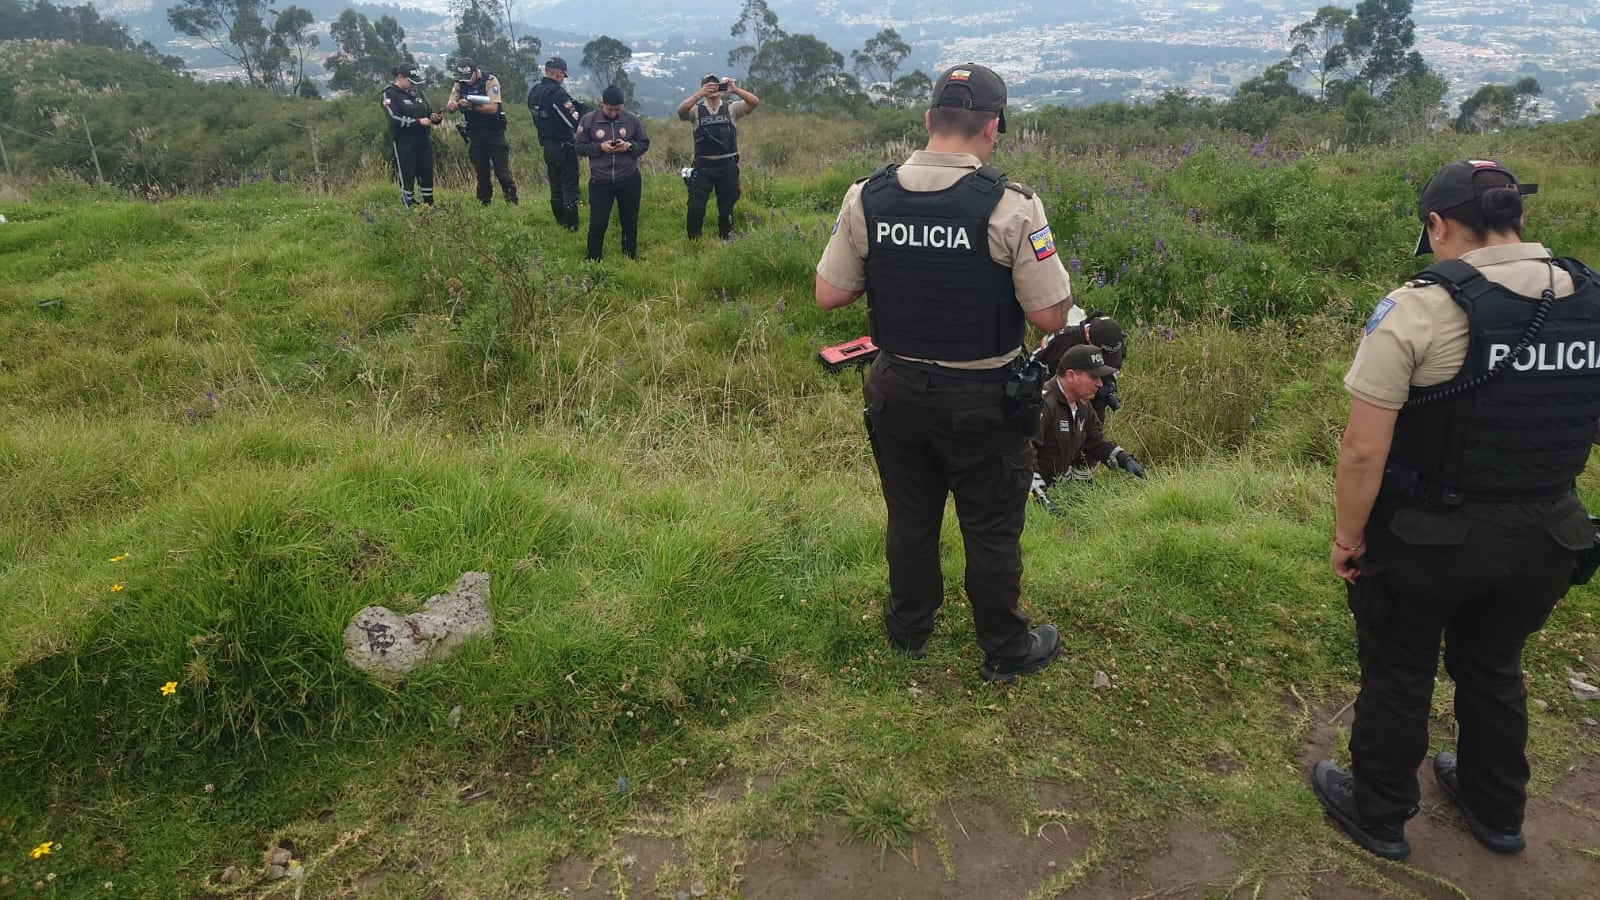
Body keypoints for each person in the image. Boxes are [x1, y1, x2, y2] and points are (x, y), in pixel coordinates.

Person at [1313, 160, 1600, 861]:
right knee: (1495, 664)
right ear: (1517, 216)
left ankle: (1380, 811)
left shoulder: (1421, 306)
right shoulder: (1589, 300)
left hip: (1428, 538)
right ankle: (1496, 808)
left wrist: (1349, 537)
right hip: (1549, 533)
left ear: (1438, 224)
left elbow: (1361, 451)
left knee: (1400, 669)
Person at [815, 63, 1072, 684]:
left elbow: (830, 295)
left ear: (930, 121)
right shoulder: (1011, 205)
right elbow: (1049, 315)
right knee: (989, 526)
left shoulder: (866, 196)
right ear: (994, 127)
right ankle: (1006, 648)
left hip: (896, 388)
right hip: (982, 398)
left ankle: (908, 630)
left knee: (909, 515)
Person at [1033, 344, 1145, 489]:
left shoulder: (1083, 405)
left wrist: (1124, 459)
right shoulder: (1043, 404)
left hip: (1061, 487)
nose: (1099, 383)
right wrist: (1040, 497)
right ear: (1071, 375)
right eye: (1093, 377)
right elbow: (1023, 457)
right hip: (1030, 494)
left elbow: (1096, 442)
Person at [676, 74, 759, 241]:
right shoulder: (696, 111)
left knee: (726, 208)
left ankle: (726, 240)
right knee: (695, 207)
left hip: (727, 166)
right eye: (708, 85)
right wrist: (700, 94)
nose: (712, 88)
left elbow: (754, 102)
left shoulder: (732, 109)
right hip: (703, 167)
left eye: (715, 85)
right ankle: (694, 242)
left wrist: (735, 90)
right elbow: (681, 112)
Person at [575, 85, 650, 260]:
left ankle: (629, 256)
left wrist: (629, 146)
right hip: (601, 180)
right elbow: (578, 147)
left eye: (618, 109)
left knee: (629, 221)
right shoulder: (589, 120)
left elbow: (644, 143)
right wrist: (600, 147)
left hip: (628, 177)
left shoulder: (631, 120)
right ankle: (593, 259)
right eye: (610, 109)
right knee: (598, 223)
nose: (614, 113)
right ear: (602, 104)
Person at [447, 57, 517, 206]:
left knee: (501, 171)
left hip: (494, 131)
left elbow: (493, 108)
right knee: (481, 171)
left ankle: (512, 201)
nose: (467, 81)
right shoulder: (460, 83)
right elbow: (451, 104)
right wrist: (454, 105)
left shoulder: (490, 80)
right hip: (475, 131)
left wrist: (471, 106)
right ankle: (484, 202)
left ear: (475, 71)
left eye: (469, 77)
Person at [527, 57, 585, 230]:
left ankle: (560, 223)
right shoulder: (558, 94)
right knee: (569, 186)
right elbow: (574, 120)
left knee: (555, 185)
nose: (563, 80)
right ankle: (572, 226)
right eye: (563, 76)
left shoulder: (534, 92)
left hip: (547, 146)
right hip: (564, 145)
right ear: (559, 74)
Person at [381, 62, 439, 208]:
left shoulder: (417, 93)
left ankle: (429, 205)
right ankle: (409, 206)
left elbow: (427, 110)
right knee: (407, 174)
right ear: (400, 77)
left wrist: (434, 117)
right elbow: (393, 118)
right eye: (410, 81)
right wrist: (418, 122)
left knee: (426, 172)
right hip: (404, 141)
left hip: (423, 140)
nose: (413, 84)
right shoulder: (389, 93)